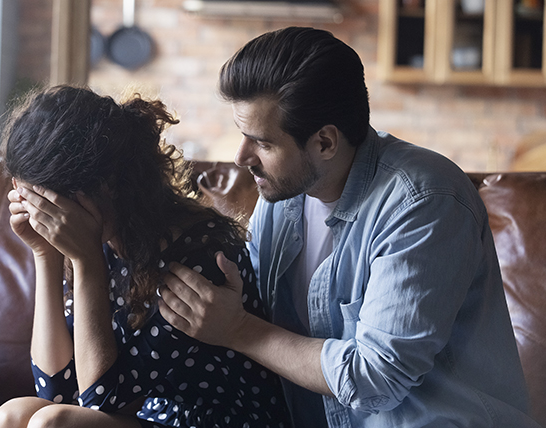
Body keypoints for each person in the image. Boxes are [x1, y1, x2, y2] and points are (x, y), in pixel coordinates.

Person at [158, 27, 541, 427]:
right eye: (242, 136)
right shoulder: (281, 196)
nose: (241, 158)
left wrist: (238, 329)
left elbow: (377, 377)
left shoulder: (424, 201)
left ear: (325, 142)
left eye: (263, 144)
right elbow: (250, 308)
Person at [0, 85, 290, 428]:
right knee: (11, 415)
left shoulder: (199, 256)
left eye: (49, 202)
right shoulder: (98, 239)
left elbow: (99, 400)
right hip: (157, 419)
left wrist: (87, 263)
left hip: (224, 422)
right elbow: (54, 387)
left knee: (55, 423)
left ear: (108, 185)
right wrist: (45, 254)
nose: (42, 216)